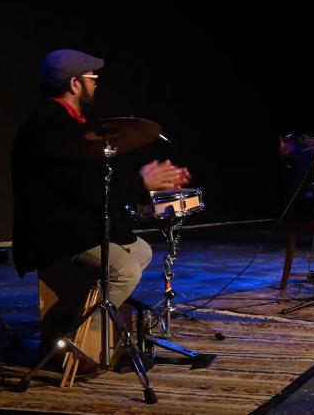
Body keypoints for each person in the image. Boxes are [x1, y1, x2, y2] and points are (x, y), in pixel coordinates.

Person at [11, 49, 192, 361]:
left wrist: (142, 183)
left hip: (72, 225)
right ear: (74, 84)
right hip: (52, 237)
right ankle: (73, 341)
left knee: (141, 251)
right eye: (93, 79)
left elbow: (91, 186)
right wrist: (141, 185)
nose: (96, 85)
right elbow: (85, 190)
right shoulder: (51, 127)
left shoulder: (64, 122)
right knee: (123, 269)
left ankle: (87, 319)